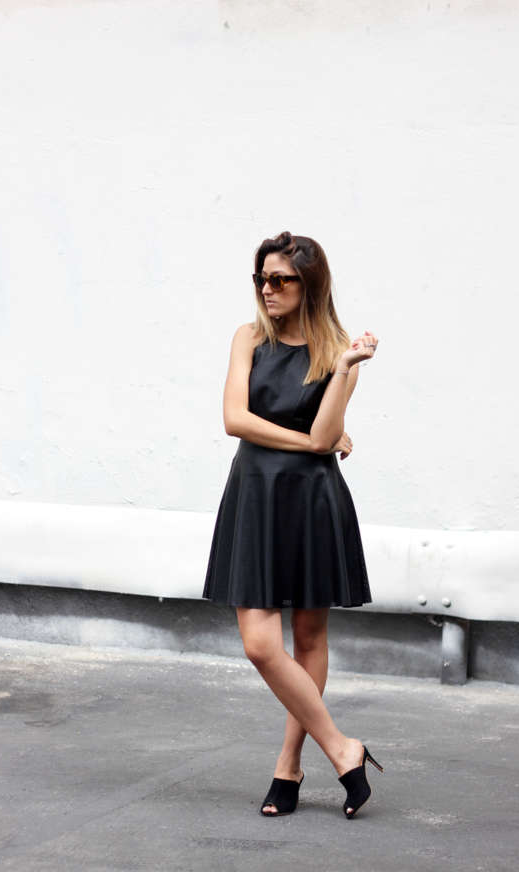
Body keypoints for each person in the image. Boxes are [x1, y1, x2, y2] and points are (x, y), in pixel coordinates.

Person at [202, 231, 384, 819]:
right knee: (261, 645)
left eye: (280, 279)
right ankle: (343, 747)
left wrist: (344, 372)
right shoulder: (248, 338)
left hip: (311, 501)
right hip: (256, 496)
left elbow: (327, 433)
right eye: (262, 277)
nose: (267, 289)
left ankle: (289, 766)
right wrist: (310, 442)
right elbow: (235, 419)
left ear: (310, 285)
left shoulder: (339, 352)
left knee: (308, 640)